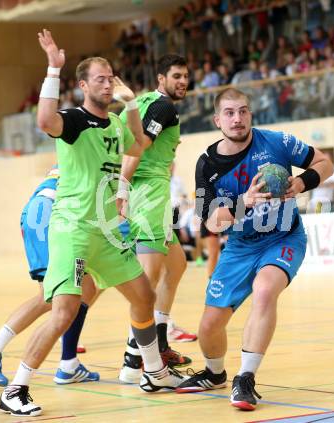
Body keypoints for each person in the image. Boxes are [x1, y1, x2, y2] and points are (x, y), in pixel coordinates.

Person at [0, 29, 185, 417]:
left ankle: (153, 371)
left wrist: (131, 104)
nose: (107, 82)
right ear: (83, 85)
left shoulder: (116, 124)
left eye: (111, 76)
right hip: (73, 230)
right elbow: (44, 119)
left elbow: (138, 145)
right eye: (99, 78)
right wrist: (53, 68)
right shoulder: (73, 120)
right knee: (63, 310)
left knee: (144, 296)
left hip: (106, 231)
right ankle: (16, 388)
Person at [176, 88, 334, 411]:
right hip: (239, 247)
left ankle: (245, 378)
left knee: (264, 291)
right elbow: (212, 222)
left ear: (251, 114)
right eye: (230, 113)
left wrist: (301, 183)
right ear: (217, 119)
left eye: (243, 111)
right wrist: (243, 202)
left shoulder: (277, 142)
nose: (238, 119)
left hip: (283, 238)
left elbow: (325, 163)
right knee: (208, 327)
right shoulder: (207, 164)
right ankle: (214, 373)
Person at [0, 166, 98, 387]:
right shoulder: (99, 151)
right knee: (49, 296)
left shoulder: (87, 146)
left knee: (86, 288)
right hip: (48, 215)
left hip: (49, 214)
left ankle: (69, 364)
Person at [117, 54, 193, 383]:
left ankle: (158, 340)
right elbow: (140, 146)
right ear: (161, 78)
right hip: (148, 193)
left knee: (177, 264)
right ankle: (136, 358)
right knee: (146, 283)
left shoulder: (145, 101)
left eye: (186, 76)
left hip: (146, 192)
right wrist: (121, 188)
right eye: (176, 75)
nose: (183, 81)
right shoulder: (163, 106)